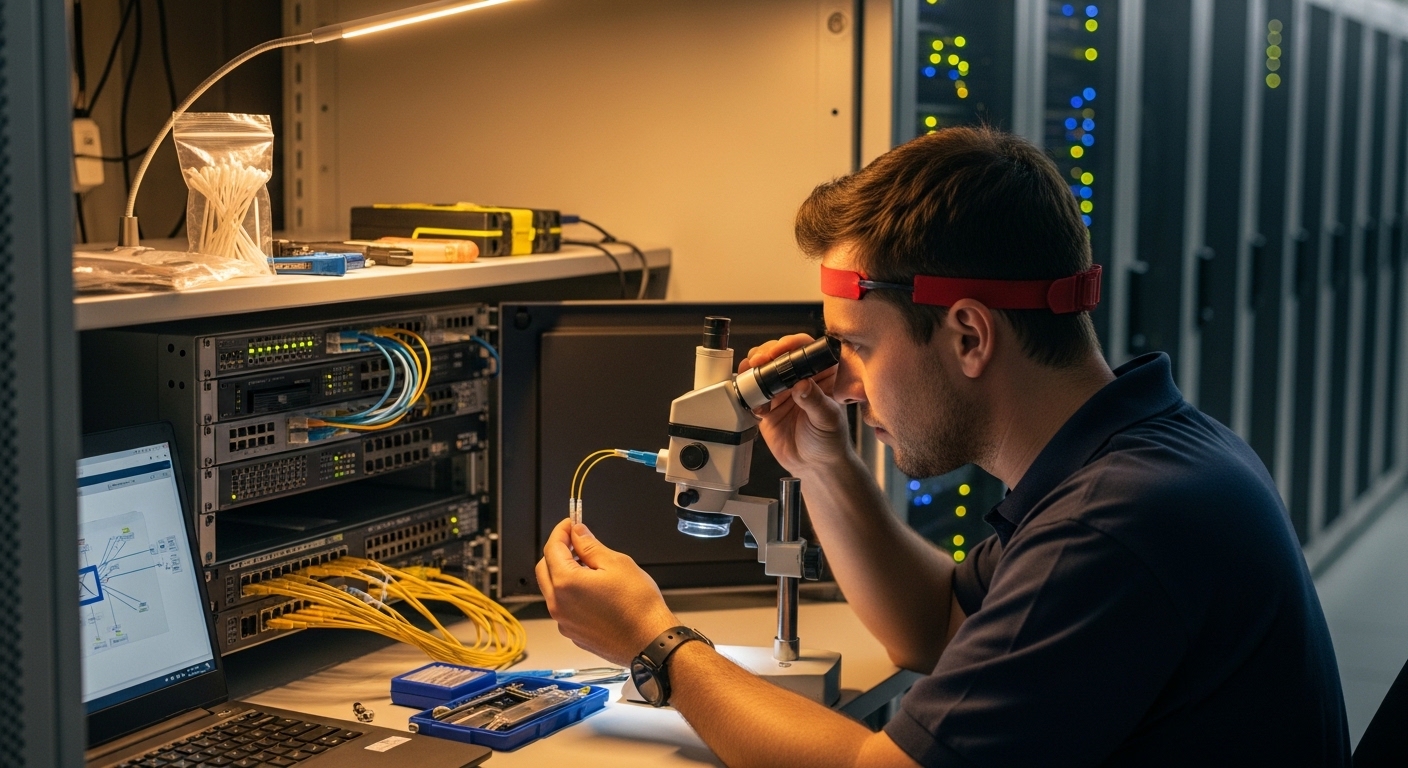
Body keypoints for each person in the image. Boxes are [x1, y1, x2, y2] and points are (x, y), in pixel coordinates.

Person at [535, 126, 1351, 767]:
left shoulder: (1116, 523)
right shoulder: (1141, 453)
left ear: (967, 335)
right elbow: (938, 627)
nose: (844, 385)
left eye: (854, 344)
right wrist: (823, 461)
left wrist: (658, 646)